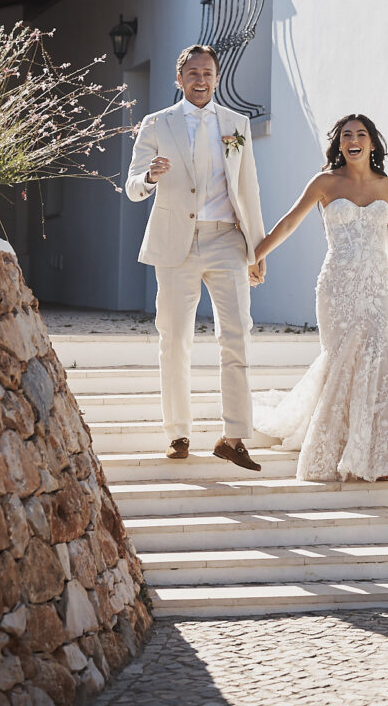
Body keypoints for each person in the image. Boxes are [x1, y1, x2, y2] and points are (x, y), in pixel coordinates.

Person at [125, 44, 265, 471]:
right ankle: (178, 433)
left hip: (226, 240)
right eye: (192, 73)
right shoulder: (156, 123)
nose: (200, 80)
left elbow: (250, 190)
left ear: (217, 77)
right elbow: (131, 186)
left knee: (237, 333)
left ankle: (235, 436)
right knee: (175, 338)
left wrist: (257, 250)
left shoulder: (236, 123)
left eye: (207, 73)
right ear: (179, 79)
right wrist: (150, 176)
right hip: (175, 243)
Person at [253, 114, 388, 483]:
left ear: (372, 143)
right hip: (337, 286)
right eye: (346, 135)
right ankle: (338, 446)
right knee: (342, 357)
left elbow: (383, 233)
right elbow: (291, 221)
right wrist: (259, 253)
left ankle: (378, 453)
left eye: (361, 134)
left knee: (378, 356)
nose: (353, 140)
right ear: (339, 144)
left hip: (377, 288)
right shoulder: (325, 181)